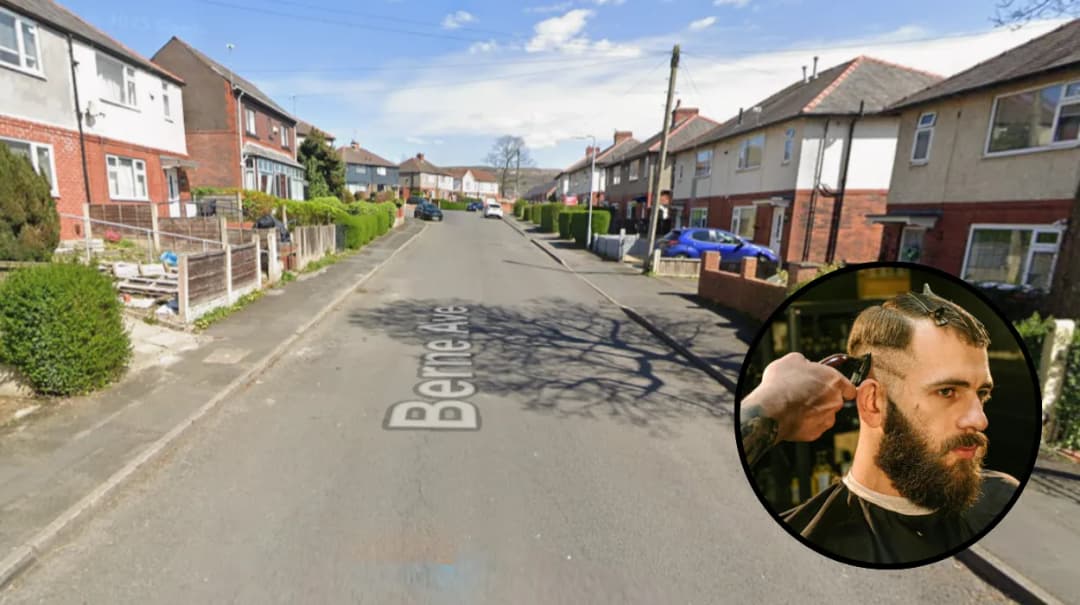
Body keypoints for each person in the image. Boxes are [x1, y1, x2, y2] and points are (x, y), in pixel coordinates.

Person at [739, 286, 1019, 565]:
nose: (979, 419)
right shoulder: (801, 536)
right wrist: (774, 403)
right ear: (873, 403)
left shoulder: (1002, 497)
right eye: (947, 392)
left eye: (982, 394)